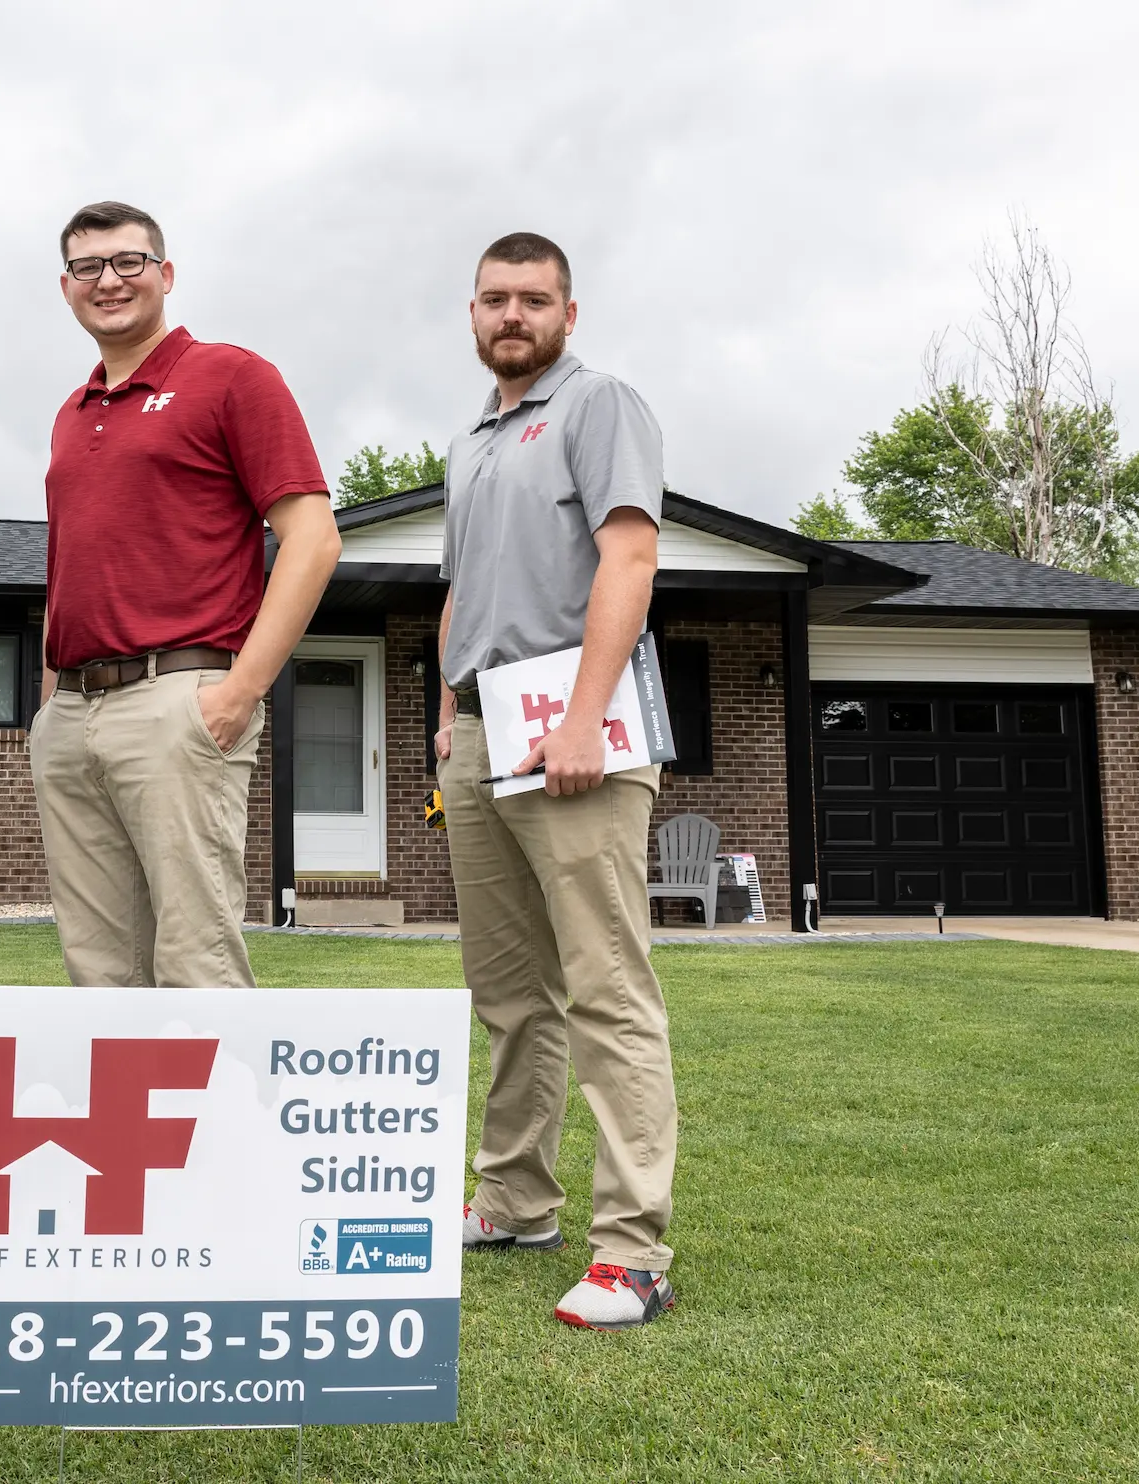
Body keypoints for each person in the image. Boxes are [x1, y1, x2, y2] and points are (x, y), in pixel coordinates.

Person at [432, 232, 678, 1330]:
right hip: (484, 730)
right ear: (473, 313)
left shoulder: (599, 404)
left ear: (569, 313)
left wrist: (584, 715)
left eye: (535, 298)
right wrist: (445, 714)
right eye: (496, 298)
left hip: (577, 724)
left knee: (605, 988)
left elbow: (630, 556)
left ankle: (632, 1252)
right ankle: (516, 1199)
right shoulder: (472, 441)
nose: (513, 314)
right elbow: (457, 591)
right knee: (509, 991)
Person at [30, 201, 340, 987]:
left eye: (129, 261)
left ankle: (218, 1116)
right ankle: (124, 1120)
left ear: (166, 275)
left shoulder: (232, 376)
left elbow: (312, 539)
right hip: (72, 715)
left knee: (194, 961)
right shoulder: (73, 413)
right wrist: (47, 709)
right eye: (88, 267)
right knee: (97, 970)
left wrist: (240, 691)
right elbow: (67, 569)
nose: (109, 280)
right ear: (66, 288)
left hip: (180, 699)